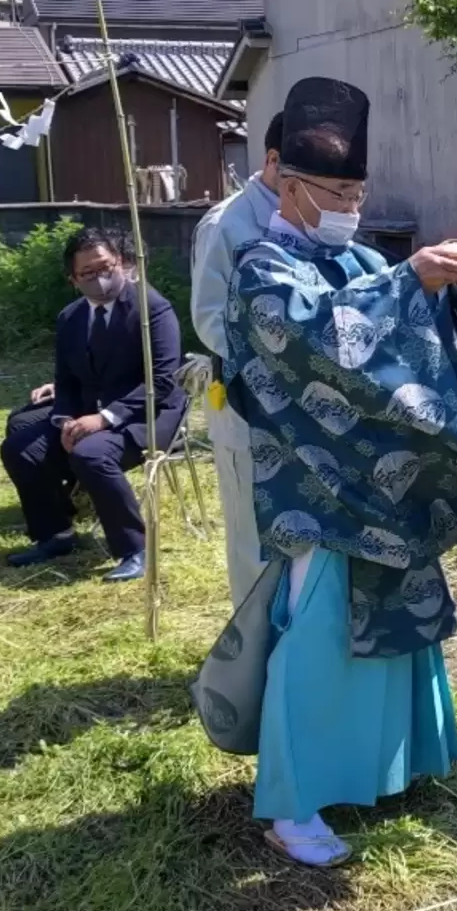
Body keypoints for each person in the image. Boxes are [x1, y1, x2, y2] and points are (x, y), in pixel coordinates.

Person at [218, 74, 457, 868]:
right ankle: (292, 804)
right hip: (319, 491)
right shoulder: (262, 267)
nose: (350, 201)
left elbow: (393, 321)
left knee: (400, 624)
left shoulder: (350, 259)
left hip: (385, 485)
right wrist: (411, 279)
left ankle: (388, 766)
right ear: (287, 182)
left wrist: (441, 283)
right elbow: (317, 338)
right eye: (336, 188)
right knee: (315, 641)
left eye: (358, 187)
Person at [0, 226, 186, 581]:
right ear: (73, 278)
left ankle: (134, 549)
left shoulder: (151, 310)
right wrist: (64, 420)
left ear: (120, 262)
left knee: (91, 454)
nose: (100, 278)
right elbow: (66, 381)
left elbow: (162, 381)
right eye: (88, 273)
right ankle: (56, 534)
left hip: (149, 413)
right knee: (21, 448)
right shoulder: (71, 318)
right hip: (90, 411)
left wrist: (103, 418)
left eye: (106, 267)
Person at [189, 112, 282, 606]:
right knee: (254, 533)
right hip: (246, 398)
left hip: (303, 407)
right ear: (273, 160)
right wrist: (282, 358)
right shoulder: (227, 223)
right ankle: (254, 656)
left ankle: (297, 653)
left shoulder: (315, 217)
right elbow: (209, 318)